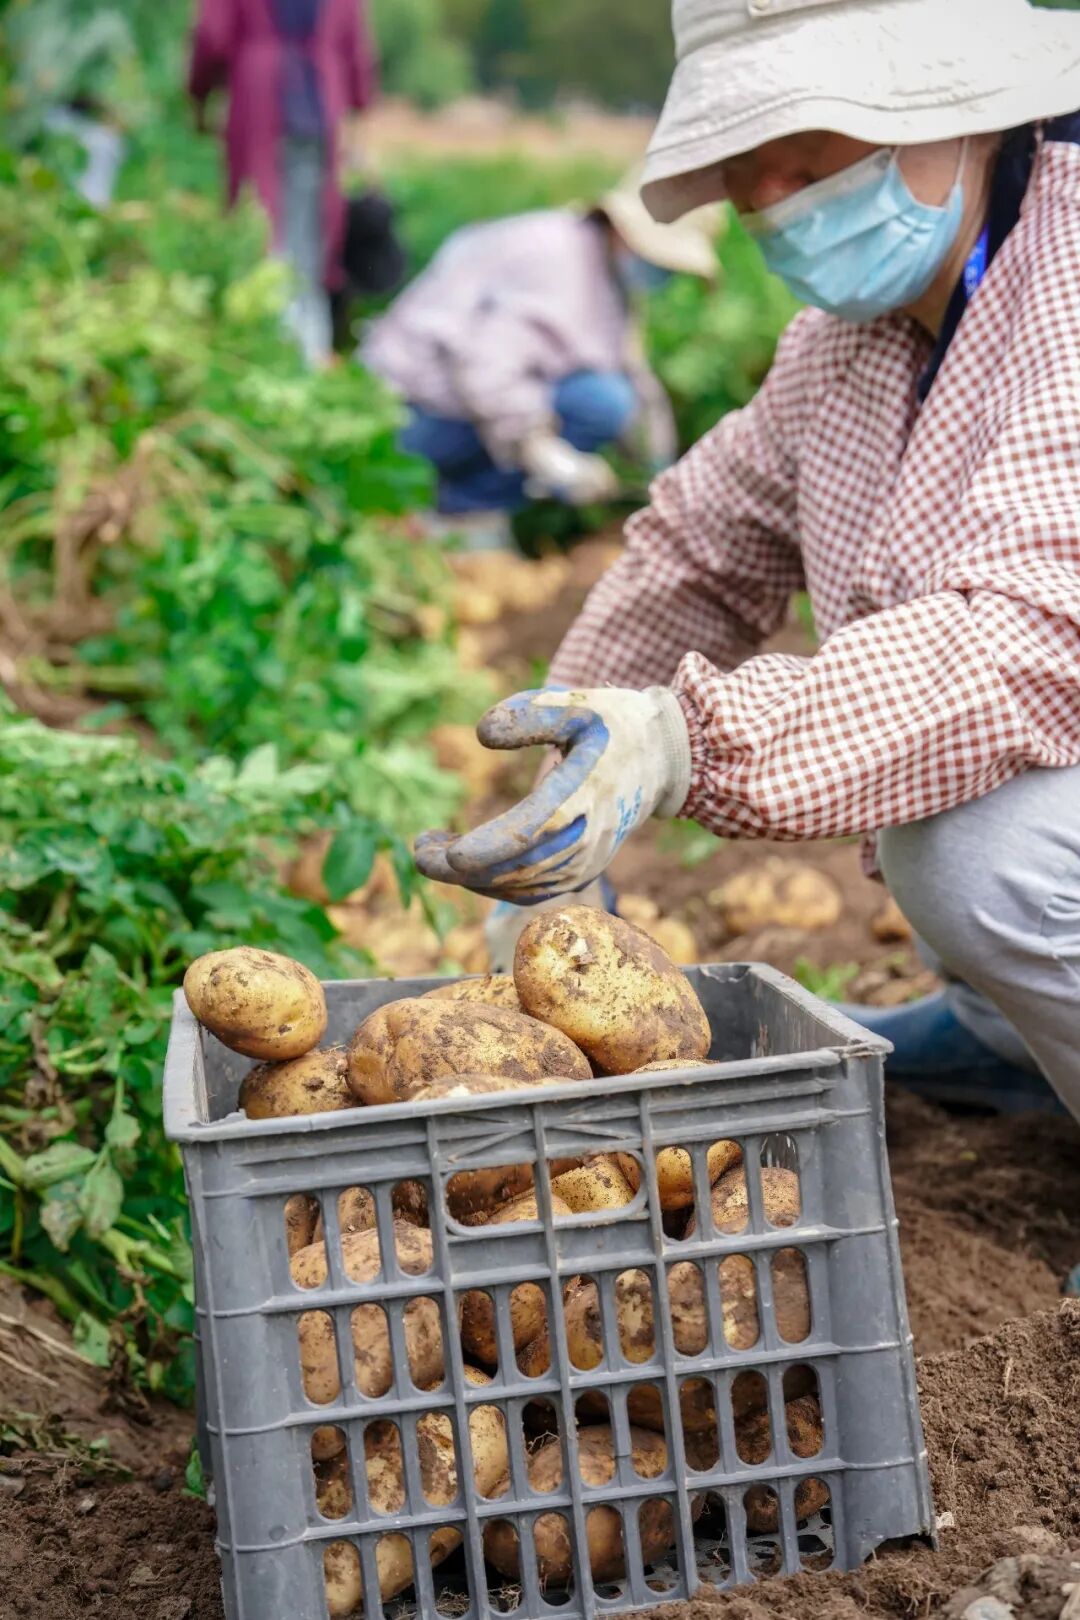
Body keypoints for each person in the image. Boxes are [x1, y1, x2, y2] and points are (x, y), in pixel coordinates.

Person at [416, 0, 1080, 1122]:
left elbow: (1028, 637)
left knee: (980, 852)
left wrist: (683, 742)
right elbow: (700, 553)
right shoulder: (853, 340)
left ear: (949, 103)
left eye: (805, 139)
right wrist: (572, 776)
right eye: (742, 153)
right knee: (933, 796)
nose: (769, 190)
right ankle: (1008, 1035)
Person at [361, 178, 718, 548]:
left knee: (607, 396)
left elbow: (633, 378)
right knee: (602, 403)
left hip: (454, 405)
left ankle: (461, 509)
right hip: (407, 413)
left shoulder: (602, 269)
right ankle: (459, 513)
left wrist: (659, 471)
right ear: (628, 232)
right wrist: (538, 447)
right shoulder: (558, 262)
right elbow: (485, 368)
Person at [188, 0, 377, 367]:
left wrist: (200, 95)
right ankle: (309, 348)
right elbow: (356, 50)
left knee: (260, 229)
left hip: (260, 103)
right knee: (311, 239)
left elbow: (212, 36)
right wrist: (358, 116)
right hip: (320, 105)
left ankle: (269, 347)